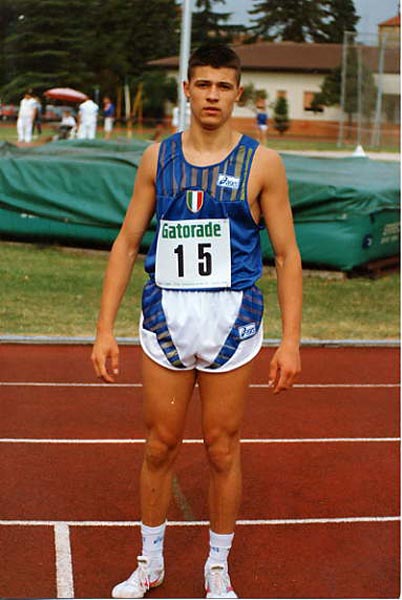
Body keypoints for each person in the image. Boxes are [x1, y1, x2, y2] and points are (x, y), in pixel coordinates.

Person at [91, 43, 302, 599]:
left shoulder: (263, 164)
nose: (212, 95)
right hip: (167, 314)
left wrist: (291, 342)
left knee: (221, 448)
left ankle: (217, 567)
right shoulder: (156, 159)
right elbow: (127, 242)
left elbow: (287, 255)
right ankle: (150, 562)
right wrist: (104, 328)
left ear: (238, 93)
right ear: (186, 89)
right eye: (203, 84)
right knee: (159, 446)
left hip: (232, 318)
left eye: (223, 86)